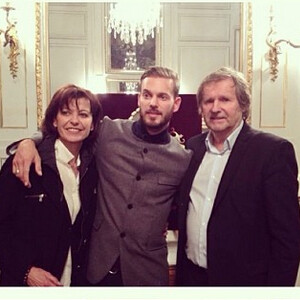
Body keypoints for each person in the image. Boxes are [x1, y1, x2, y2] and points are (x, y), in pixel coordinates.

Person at [8, 67, 193, 286]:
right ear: (139, 98)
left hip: (147, 270)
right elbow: (67, 130)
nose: (153, 103)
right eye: (147, 95)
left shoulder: (183, 158)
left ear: (176, 103)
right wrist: (29, 142)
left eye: (162, 96)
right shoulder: (108, 133)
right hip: (97, 266)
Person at [175, 66, 300, 286]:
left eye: (225, 99)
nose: (215, 108)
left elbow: (287, 239)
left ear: (242, 104)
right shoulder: (193, 148)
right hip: (192, 279)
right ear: (200, 109)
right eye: (208, 101)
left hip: (244, 283)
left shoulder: (272, 152)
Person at [0, 84, 102, 286]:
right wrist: (25, 271)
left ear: (92, 125)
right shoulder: (24, 163)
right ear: (54, 120)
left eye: (83, 114)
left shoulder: (94, 169)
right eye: (66, 113)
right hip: (26, 285)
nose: (74, 121)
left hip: (75, 283)